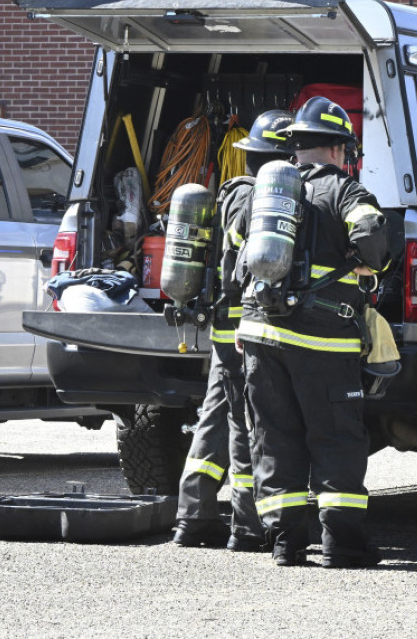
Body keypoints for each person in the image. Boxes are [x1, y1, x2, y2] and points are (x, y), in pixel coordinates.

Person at [236, 96, 390, 568]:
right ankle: (342, 542)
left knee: (273, 436)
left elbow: (241, 256)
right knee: (335, 436)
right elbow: (373, 246)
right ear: (340, 149)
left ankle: (286, 543)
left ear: (295, 147)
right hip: (324, 338)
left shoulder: (265, 194)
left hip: (261, 334)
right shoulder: (344, 189)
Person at [173, 110, 294, 551]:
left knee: (212, 420)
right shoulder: (261, 201)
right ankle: (246, 525)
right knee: (248, 425)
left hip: (222, 324)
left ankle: (193, 517)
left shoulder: (228, 193)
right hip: (246, 326)